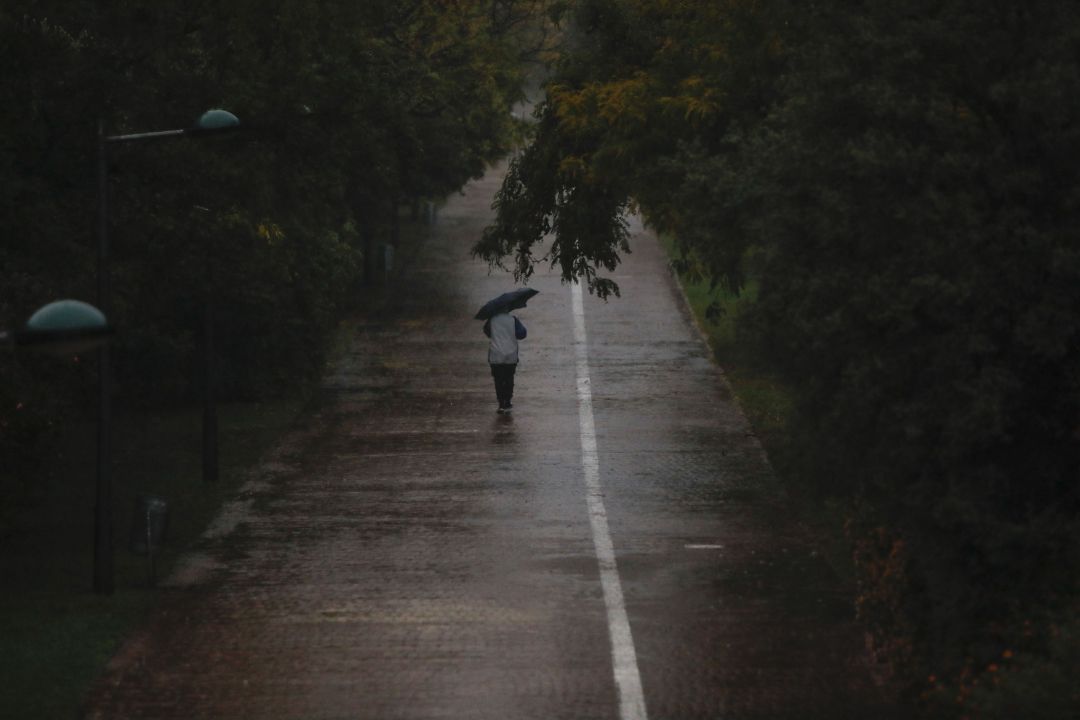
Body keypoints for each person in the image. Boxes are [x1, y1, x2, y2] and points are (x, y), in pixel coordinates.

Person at [483, 311, 527, 413]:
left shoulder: (491, 320)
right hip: (510, 354)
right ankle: (508, 400)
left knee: (498, 379)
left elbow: (487, 332)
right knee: (509, 377)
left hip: (495, 354)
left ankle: (501, 402)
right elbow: (522, 334)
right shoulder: (513, 320)